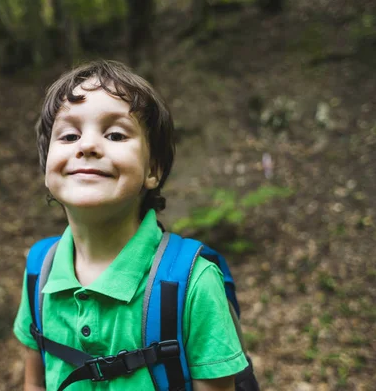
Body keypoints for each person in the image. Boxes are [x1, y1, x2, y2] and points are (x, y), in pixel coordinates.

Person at [13, 60, 248, 391]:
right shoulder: (40, 270)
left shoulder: (193, 283)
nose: (87, 146)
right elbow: (34, 383)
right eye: (68, 135)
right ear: (47, 166)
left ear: (152, 170)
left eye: (115, 134)